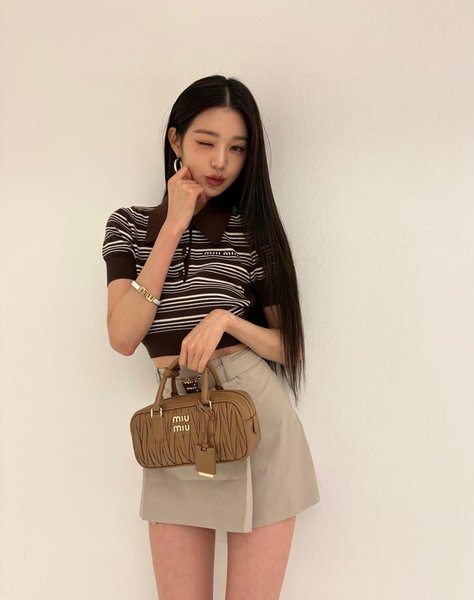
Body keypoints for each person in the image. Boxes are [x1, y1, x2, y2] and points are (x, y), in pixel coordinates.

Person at [102, 74, 320, 600]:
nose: (221, 161)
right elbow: (123, 336)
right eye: (206, 142)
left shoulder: (254, 231)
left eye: (237, 148)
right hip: (176, 428)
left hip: (255, 420)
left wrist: (228, 321)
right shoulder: (129, 227)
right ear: (175, 141)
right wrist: (174, 225)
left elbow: (288, 345)